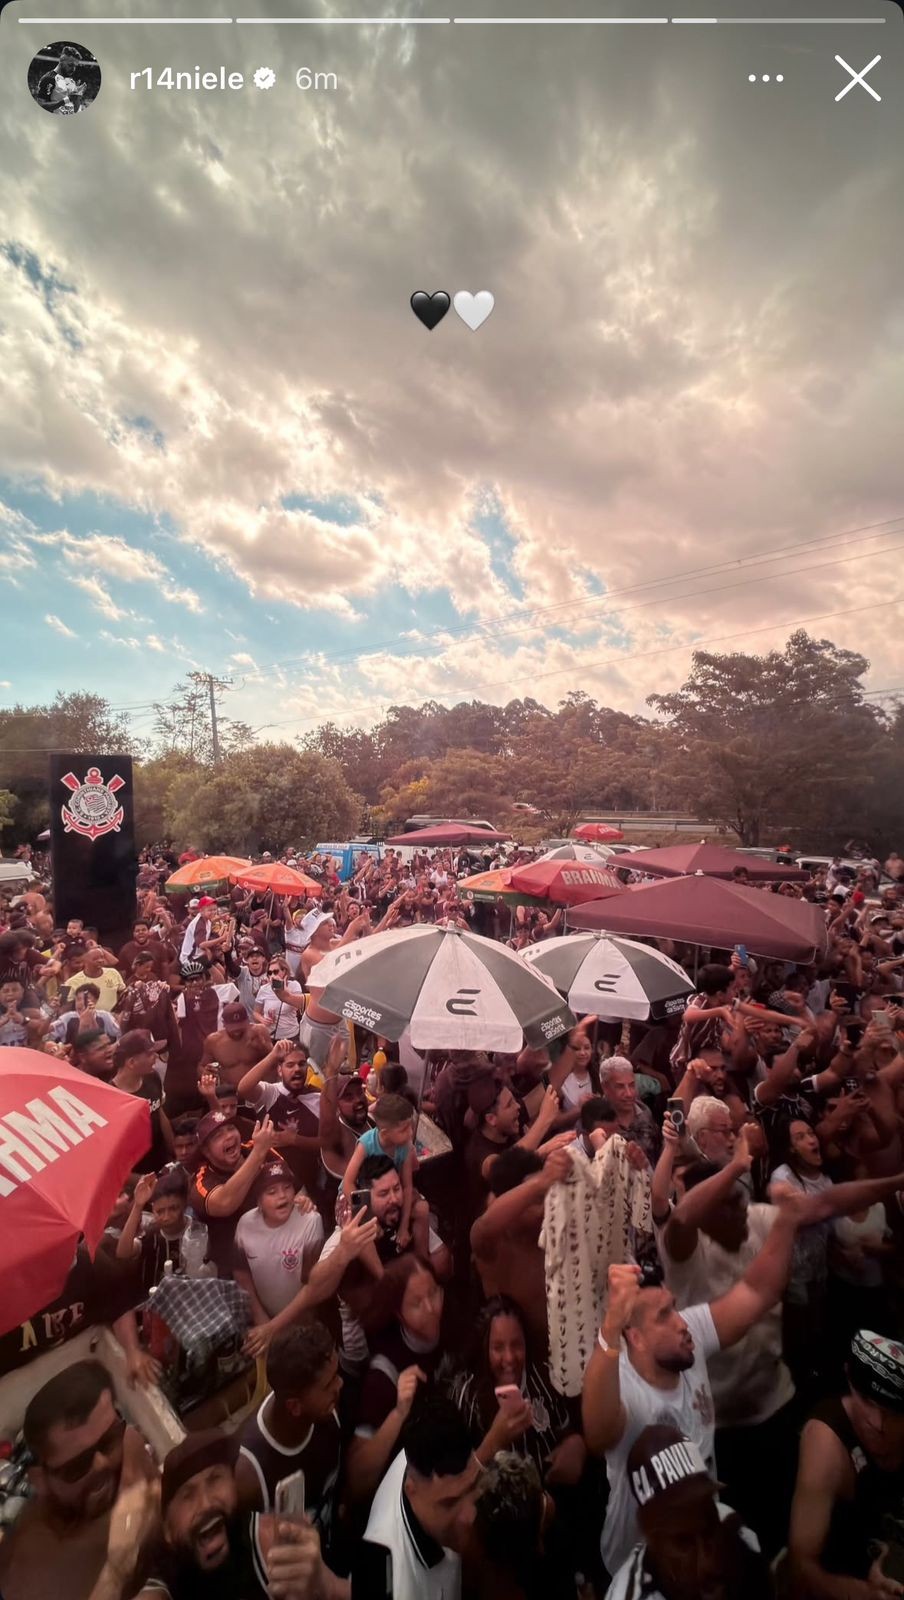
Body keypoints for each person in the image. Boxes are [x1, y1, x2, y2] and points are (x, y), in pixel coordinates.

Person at [581, 1200, 807, 1577]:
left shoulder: (691, 1332)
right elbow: (598, 1431)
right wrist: (610, 1326)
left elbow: (757, 1292)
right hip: (639, 1565)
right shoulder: (625, 1384)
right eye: (664, 1316)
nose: (681, 1322)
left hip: (701, 1543)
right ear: (634, 1338)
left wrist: (786, 1221)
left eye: (675, 1307)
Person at [0, 1359, 158, 1600]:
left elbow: (132, 1441)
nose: (101, 1464)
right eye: (78, 1466)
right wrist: (118, 1569)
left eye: (108, 1442)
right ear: (40, 1481)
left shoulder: (129, 1445)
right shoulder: (35, 1569)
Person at [137, 1428, 342, 1600]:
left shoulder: (272, 1545)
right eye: (187, 1495)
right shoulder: (161, 1573)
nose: (206, 1503)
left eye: (215, 1479)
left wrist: (326, 1586)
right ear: (167, 1530)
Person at [789, 1330, 904, 1600]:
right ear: (849, 1381)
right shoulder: (826, 1441)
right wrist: (870, 1596)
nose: (877, 1423)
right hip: (850, 1579)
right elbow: (801, 1569)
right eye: (867, 1402)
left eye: (893, 1412)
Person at [604, 1423, 773, 1600]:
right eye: (684, 1543)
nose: (707, 1563)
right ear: (652, 1537)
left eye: (709, 1532)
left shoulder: (731, 1527)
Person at [356, 1396, 481, 1600]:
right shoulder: (397, 1584)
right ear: (411, 1489)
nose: (470, 1515)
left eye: (472, 1487)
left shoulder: (425, 1447)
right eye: (450, 1503)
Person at [346, 1255, 445, 1501]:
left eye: (433, 1293)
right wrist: (398, 1412)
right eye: (416, 1303)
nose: (431, 1309)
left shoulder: (456, 1319)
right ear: (399, 1314)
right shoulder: (384, 1373)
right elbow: (357, 1480)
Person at [237, 1321, 342, 1548]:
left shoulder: (328, 1412)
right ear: (294, 1407)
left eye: (337, 1375)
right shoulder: (249, 1474)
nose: (340, 1384)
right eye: (329, 1383)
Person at [189, 1110, 287, 1276]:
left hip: (280, 1251)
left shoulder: (257, 1149)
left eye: (231, 1128)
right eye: (218, 1136)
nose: (228, 1136)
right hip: (236, 1270)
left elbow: (296, 1189)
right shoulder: (201, 1180)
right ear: (205, 1151)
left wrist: (303, 1202)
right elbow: (224, 1203)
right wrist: (257, 1156)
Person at [234, 1159, 325, 1326]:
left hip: (302, 1321)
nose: (282, 1196)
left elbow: (312, 1286)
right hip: (261, 1318)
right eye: (271, 1191)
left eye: (287, 1187)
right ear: (259, 1200)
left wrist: (275, 1329)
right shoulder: (245, 1224)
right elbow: (242, 1274)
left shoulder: (310, 1220)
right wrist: (261, 1319)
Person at [342, 1093, 416, 1246]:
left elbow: (407, 1186)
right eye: (404, 1129)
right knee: (361, 1231)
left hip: (387, 1193)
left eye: (411, 1126)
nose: (410, 1133)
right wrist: (368, 1218)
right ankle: (378, 1270)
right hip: (355, 1195)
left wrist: (404, 1226)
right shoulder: (366, 1144)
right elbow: (347, 1183)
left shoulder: (406, 1147)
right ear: (384, 1133)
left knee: (422, 1209)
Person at [110, 1029, 174, 1173]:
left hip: (162, 1163)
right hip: (138, 1176)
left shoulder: (152, 1078)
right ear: (132, 1062)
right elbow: (113, 1158)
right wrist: (139, 1182)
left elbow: (160, 1114)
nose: (156, 1057)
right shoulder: (111, 1098)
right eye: (150, 1054)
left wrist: (174, 1153)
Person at [198, 1000, 273, 1090]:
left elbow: (275, 1061)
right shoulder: (213, 1041)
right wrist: (205, 1073)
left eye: (240, 1027)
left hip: (258, 1090)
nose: (237, 1032)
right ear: (224, 1023)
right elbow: (202, 1066)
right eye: (233, 1028)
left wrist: (262, 1046)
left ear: (247, 1021)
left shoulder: (259, 1031)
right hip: (230, 1093)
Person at [599, 1056, 662, 1163]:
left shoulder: (646, 1114)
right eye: (620, 1087)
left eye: (632, 1085)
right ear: (605, 1087)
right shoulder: (594, 1118)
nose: (629, 1094)